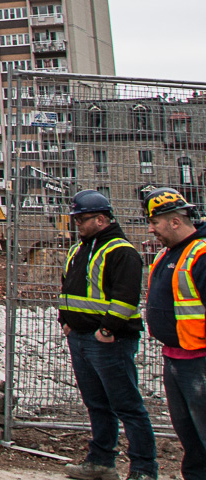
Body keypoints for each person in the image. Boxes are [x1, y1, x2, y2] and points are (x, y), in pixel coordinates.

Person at [57, 189, 156, 480]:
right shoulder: (79, 249)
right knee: (97, 404)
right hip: (81, 338)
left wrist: (107, 329)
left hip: (109, 341)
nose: (76, 223)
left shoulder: (121, 251)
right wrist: (66, 321)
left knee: (127, 406)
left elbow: (126, 298)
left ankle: (143, 469)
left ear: (100, 219)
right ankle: (101, 462)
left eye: (81, 219)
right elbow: (67, 288)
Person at [147, 186, 206, 479]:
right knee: (189, 437)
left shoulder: (201, 254)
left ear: (174, 221)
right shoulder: (167, 255)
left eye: (155, 222)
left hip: (199, 360)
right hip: (176, 356)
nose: (151, 229)